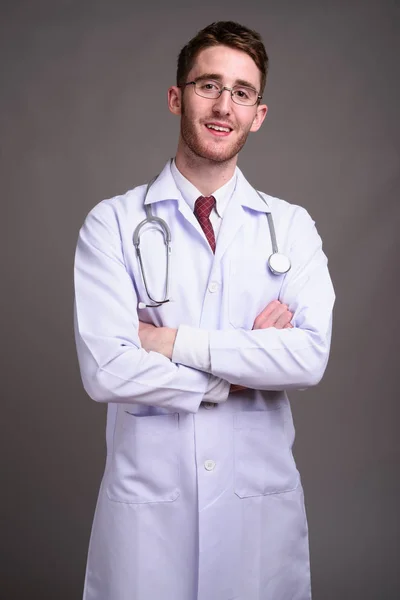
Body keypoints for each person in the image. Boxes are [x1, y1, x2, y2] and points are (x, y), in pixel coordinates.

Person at [74, 20, 335, 600]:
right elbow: (107, 370)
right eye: (207, 85)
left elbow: (309, 355)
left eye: (242, 92)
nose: (224, 105)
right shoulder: (112, 223)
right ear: (176, 98)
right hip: (150, 518)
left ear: (258, 114)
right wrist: (236, 374)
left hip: (256, 517)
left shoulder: (290, 228)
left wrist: (168, 342)